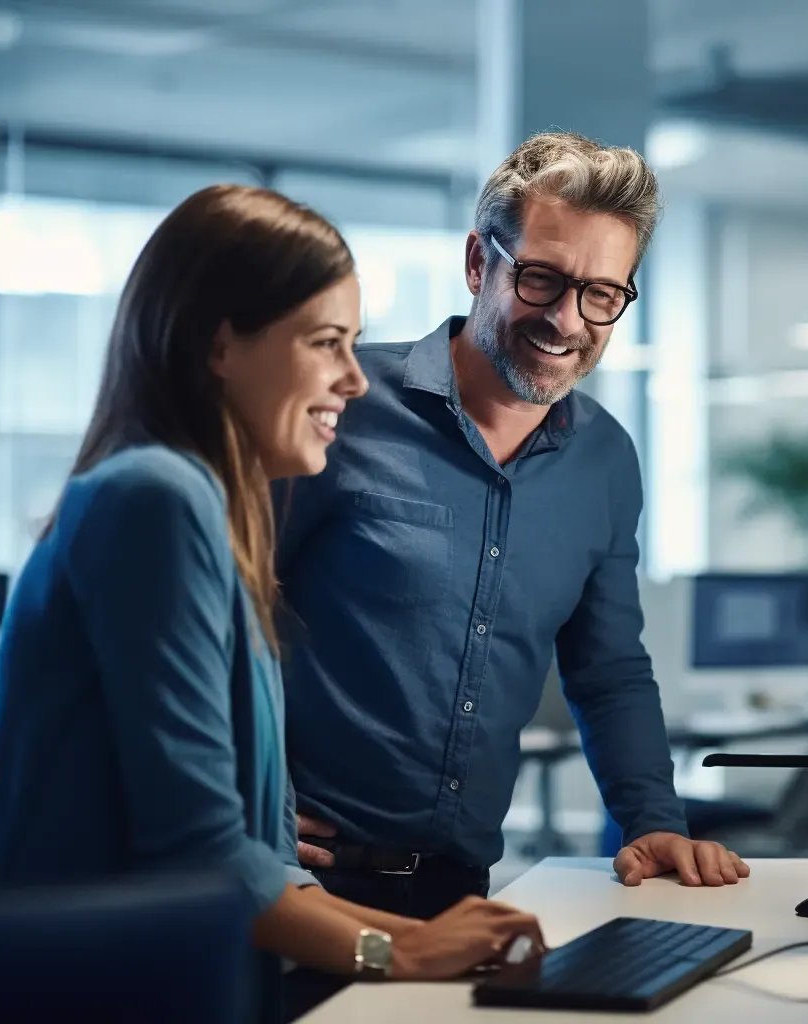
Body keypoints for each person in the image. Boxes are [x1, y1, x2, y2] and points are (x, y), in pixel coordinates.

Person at [0, 185, 543, 1022]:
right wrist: (407, 949)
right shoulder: (154, 498)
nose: (354, 381)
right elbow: (203, 856)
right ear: (220, 345)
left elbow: (254, 858)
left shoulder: (212, 509)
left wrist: (421, 936)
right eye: (325, 344)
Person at [275, 131, 750, 919]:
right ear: (477, 263)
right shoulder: (342, 406)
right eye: (541, 278)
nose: (568, 319)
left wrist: (654, 822)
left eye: (603, 293)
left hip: (460, 892)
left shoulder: (604, 457)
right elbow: (220, 607)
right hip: (299, 883)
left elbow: (608, 670)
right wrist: (237, 793)